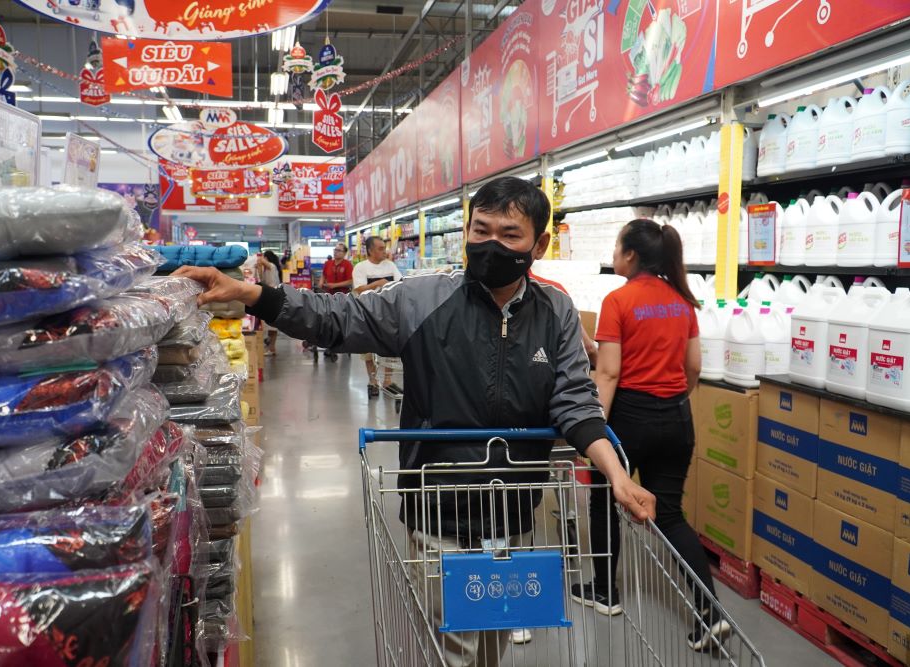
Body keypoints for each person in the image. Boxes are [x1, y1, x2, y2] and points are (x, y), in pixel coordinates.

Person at [175, 176, 655, 667]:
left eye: (509, 235)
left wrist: (616, 475)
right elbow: (336, 319)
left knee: (495, 642)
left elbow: (576, 403)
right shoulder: (423, 299)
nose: (491, 244)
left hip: (514, 513)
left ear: (540, 244)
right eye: (480, 230)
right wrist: (256, 295)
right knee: (453, 647)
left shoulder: (557, 313)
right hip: (439, 510)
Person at [577, 218, 728, 651]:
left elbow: (607, 372)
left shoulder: (618, 300)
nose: (613, 253)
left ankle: (605, 592)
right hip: (677, 417)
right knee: (670, 514)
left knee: (606, 497)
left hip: (629, 417)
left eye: (616, 245)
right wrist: (675, 403)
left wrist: (595, 432)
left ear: (630, 255)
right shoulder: (683, 301)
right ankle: (710, 612)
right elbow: (694, 366)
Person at [352, 235, 403, 397]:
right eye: (380, 249)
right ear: (370, 251)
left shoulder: (390, 265)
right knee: (368, 349)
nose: (384, 251)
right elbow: (359, 289)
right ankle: (372, 381)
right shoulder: (361, 267)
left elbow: (401, 283)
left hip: (389, 313)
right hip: (367, 312)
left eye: (384, 248)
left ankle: (388, 381)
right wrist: (377, 284)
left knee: (391, 347)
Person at [256, 250, 283, 356]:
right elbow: (261, 279)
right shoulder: (267, 269)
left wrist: (258, 258)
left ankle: (272, 348)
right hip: (270, 296)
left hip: (273, 297)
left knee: (272, 325)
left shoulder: (271, 266)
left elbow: (262, 261)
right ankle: (271, 348)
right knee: (271, 326)